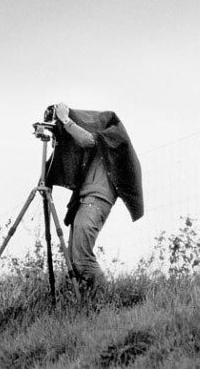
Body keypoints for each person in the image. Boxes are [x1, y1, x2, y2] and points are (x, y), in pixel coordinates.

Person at [47, 102, 144, 292]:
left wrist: (66, 120)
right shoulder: (100, 149)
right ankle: (84, 303)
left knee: (82, 259)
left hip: (95, 201)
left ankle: (108, 299)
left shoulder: (111, 138)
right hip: (86, 201)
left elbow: (87, 140)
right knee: (74, 261)